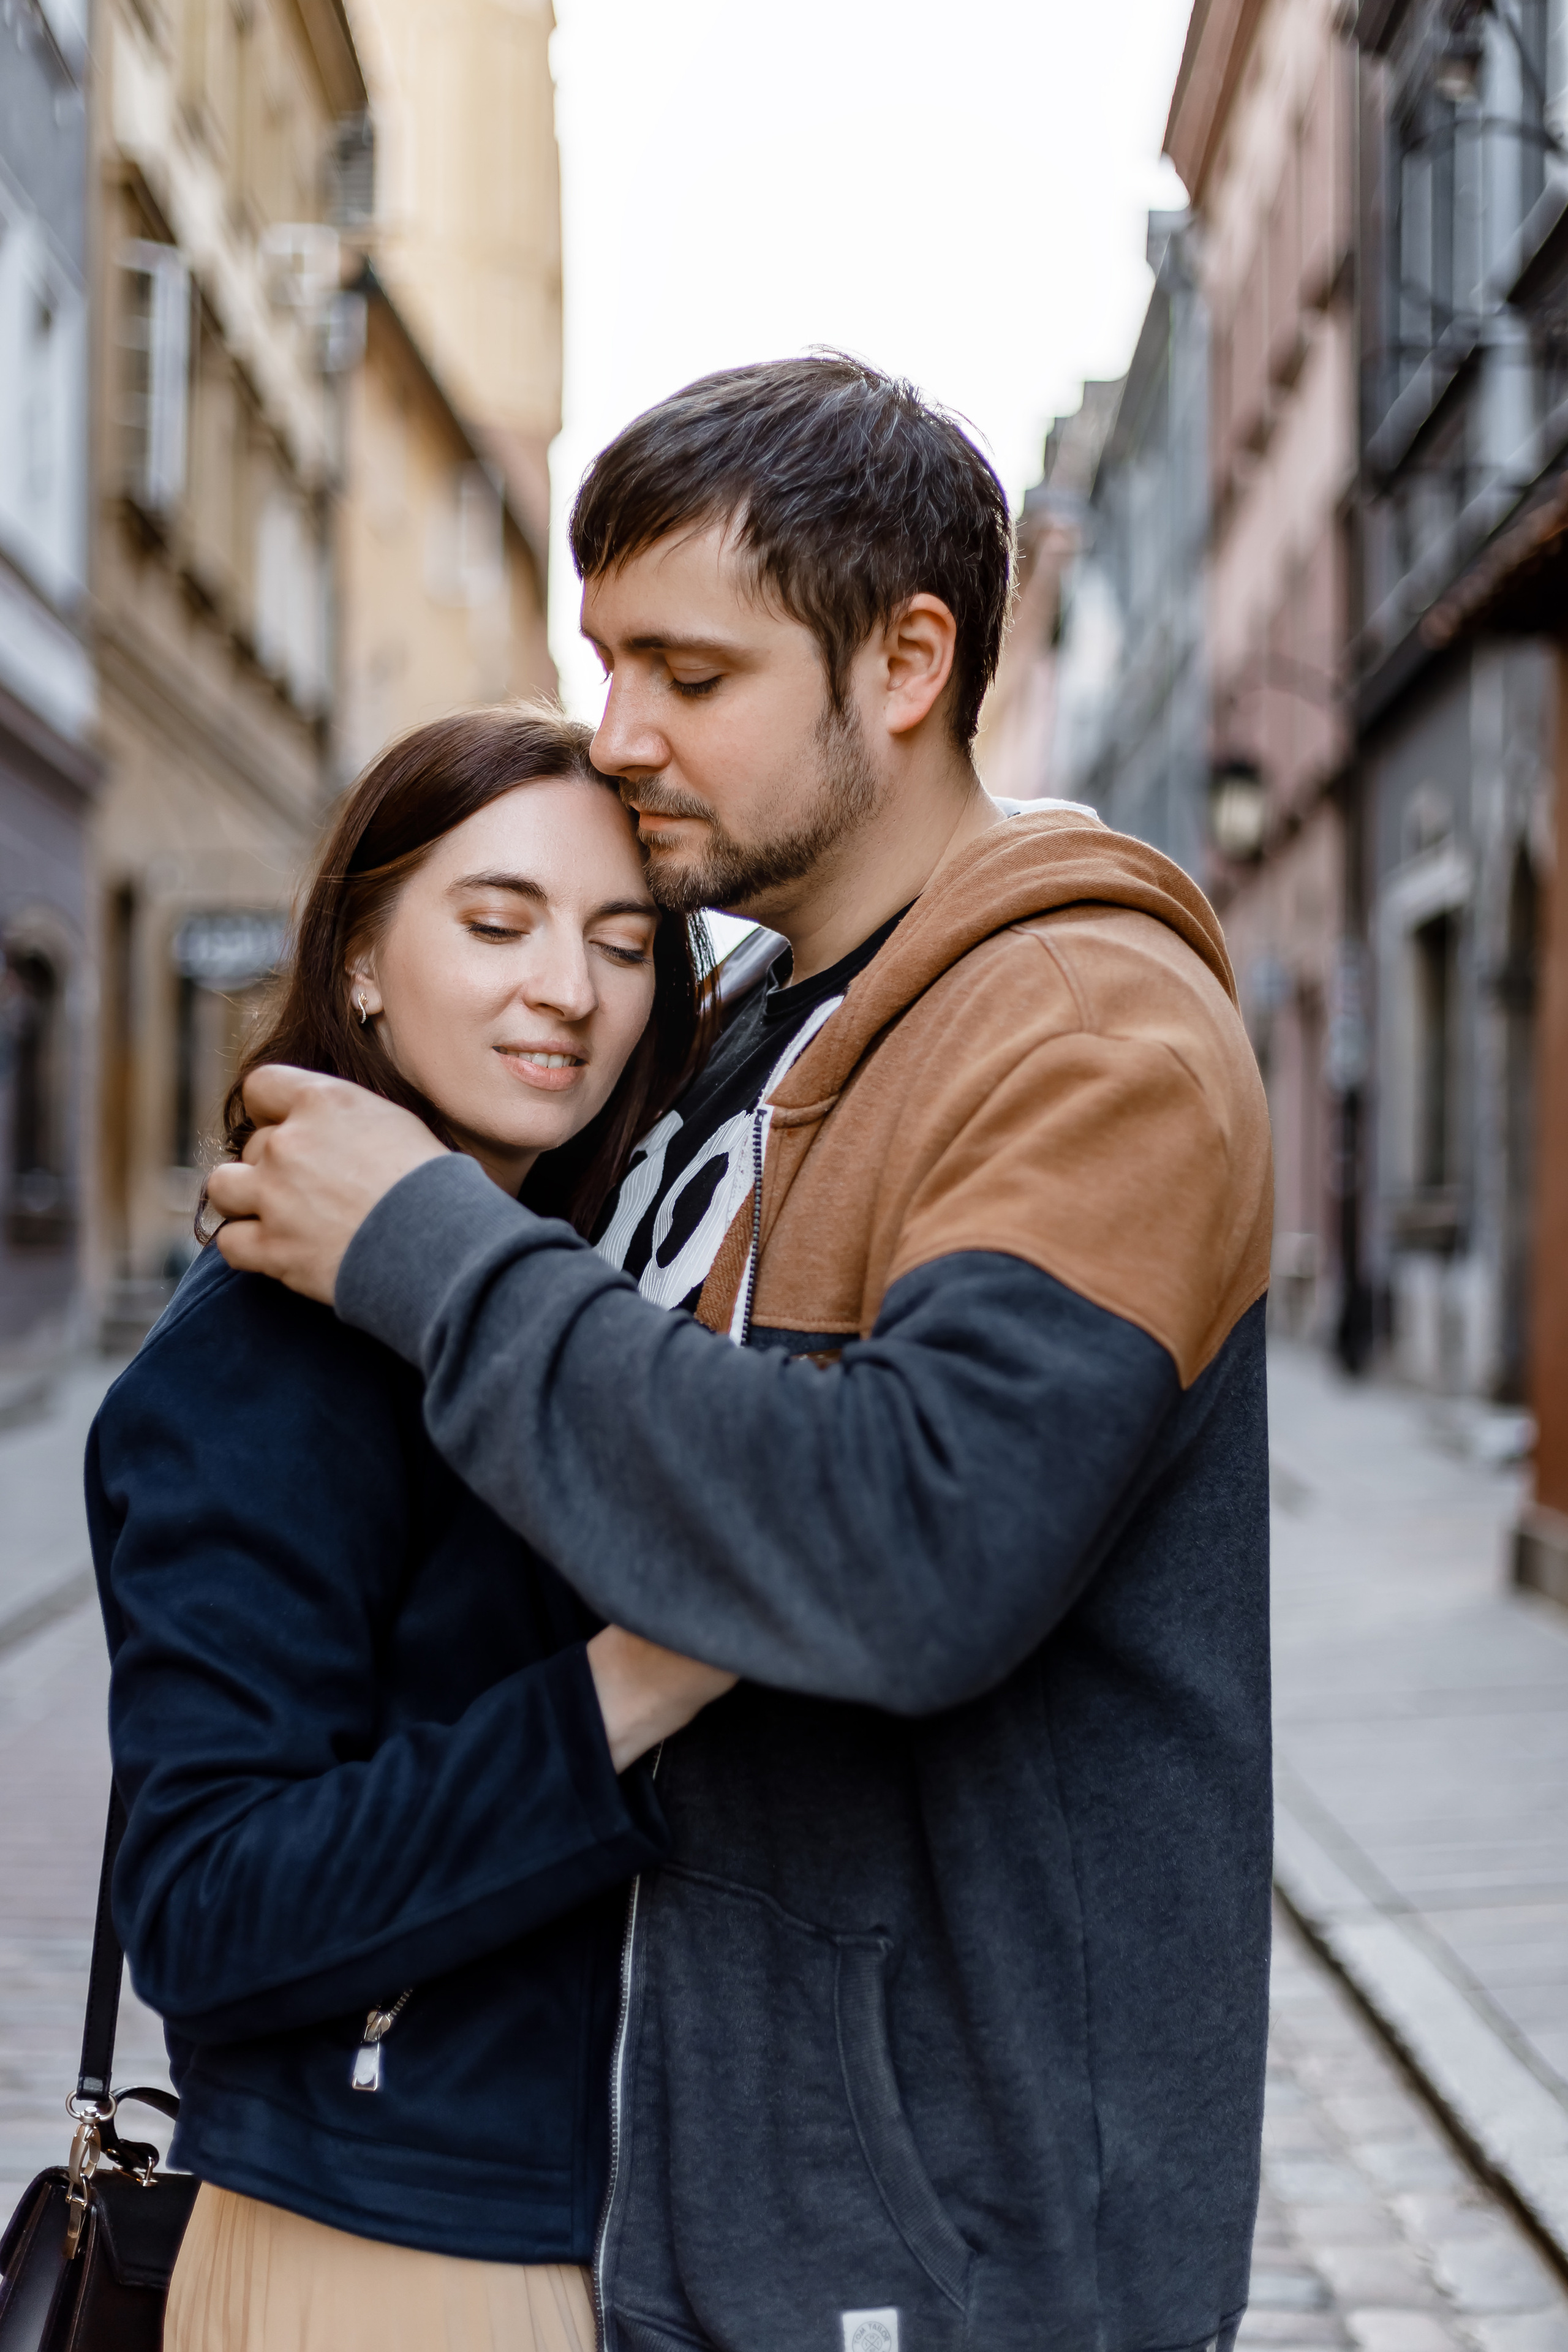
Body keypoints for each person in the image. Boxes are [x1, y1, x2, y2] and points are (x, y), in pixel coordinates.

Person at [209, 356, 1277, 2352]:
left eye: (688, 677)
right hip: (700, 2208)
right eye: (603, 662)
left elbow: (918, 1551)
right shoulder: (744, 1033)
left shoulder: (1084, 1037)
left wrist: (425, 1254)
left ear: (904, 662)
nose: (618, 737)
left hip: (965, 2260)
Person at [86, 707, 736, 2352]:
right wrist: (641, 1679)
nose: (571, 991)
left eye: (622, 942)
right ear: (362, 961)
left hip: (566, 2223)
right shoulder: (260, 1358)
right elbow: (206, 1908)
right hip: (380, 2253)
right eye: (499, 921)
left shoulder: (559, 1313)